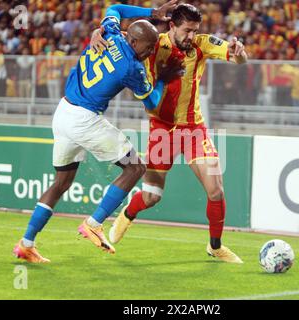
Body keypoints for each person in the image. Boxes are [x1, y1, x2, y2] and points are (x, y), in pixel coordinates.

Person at [13, 1, 180, 263]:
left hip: (64, 111)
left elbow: (114, 8)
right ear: (134, 43)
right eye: (148, 48)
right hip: (85, 118)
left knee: (61, 183)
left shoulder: (110, 31)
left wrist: (152, 14)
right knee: (135, 167)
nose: (149, 54)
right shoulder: (131, 67)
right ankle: (94, 222)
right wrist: (163, 78)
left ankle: (26, 243)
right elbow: (152, 102)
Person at [93, 4, 248, 263]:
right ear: (172, 26)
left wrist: (240, 54)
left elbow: (238, 58)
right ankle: (128, 214)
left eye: (195, 30)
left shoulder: (201, 44)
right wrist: (99, 32)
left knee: (216, 190)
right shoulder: (154, 44)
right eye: (187, 30)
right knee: (152, 197)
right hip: (161, 129)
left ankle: (215, 246)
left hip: (193, 128)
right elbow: (122, 37)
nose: (191, 36)